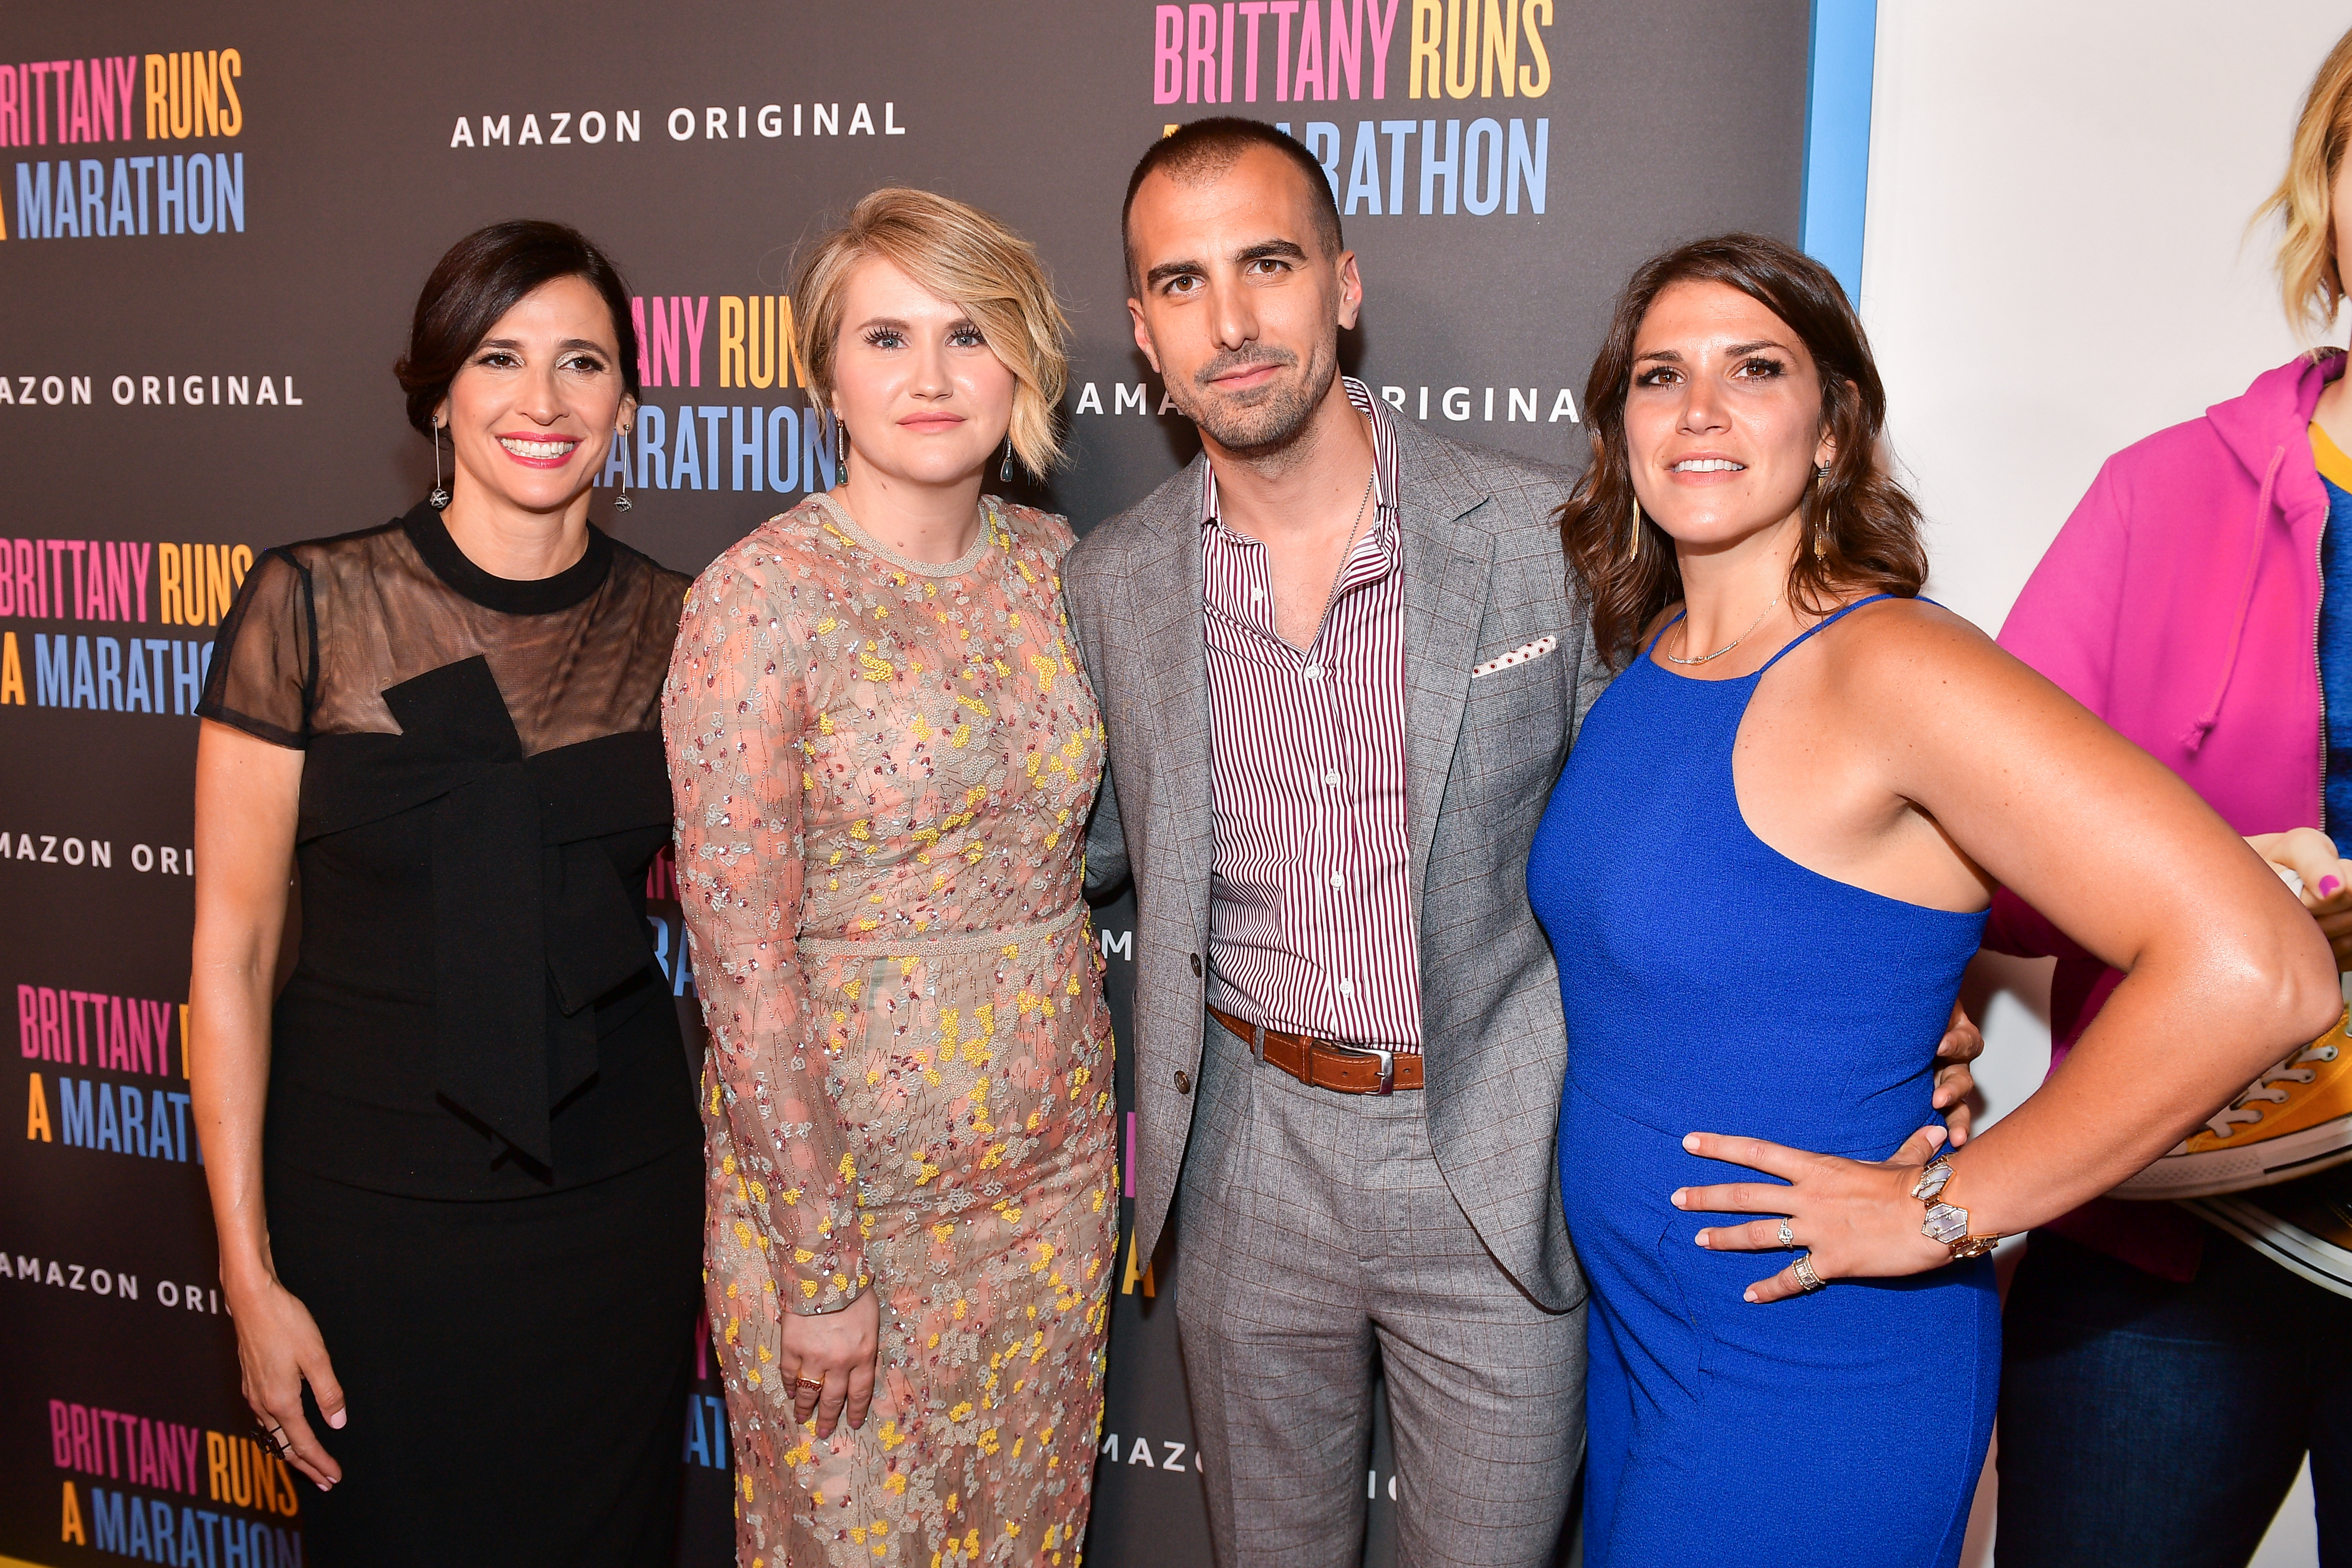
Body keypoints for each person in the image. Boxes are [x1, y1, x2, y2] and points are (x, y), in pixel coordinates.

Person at [1064, 121, 1985, 1568]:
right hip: (1243, 1155)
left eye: (1270, 265)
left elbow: (1679, 824)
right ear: (1143, 333)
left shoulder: (1547, 544)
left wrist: (1879, 1017)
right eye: (1182, 286)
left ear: (1345, 286)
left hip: (1498, 1148)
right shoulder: (1108, 586)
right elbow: (1079, 850)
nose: (1232, 322)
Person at [1526, 230, 2343, 1568]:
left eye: (1757, 369)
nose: (1704, 411)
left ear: (1836, 429)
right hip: (1644, 1355)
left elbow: (2258, 965)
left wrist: (1945, 1205)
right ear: (1621, 429)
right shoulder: (1656, 658)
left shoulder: (1893, 667)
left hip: (1812, 1365)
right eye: (1661, 377)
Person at [187, 221, 699, 1565]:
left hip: (616, 1212)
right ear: (440, 396)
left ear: (628, 404)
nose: (543, 401)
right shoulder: (307, 607)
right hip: (364, 1221)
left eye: (582, 362)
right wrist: (248, 1277)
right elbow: (230, 961)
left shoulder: (691, 628)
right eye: (500, 358)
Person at [665, 187, 1116, 1568]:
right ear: (827, 378)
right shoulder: (755, 600)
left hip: (1050, 1188)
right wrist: (820, 1265)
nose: (931, 376)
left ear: (1024, 365)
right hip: (849, 1210)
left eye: (969, 334)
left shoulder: (1064, 572)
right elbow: (740, 968)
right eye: (887, 337)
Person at [1989, 28, 2352, 1564]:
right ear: (2327, 193)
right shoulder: (2165, 492)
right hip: (2178, 1232)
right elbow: (1987, 858)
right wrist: (2189, 886)